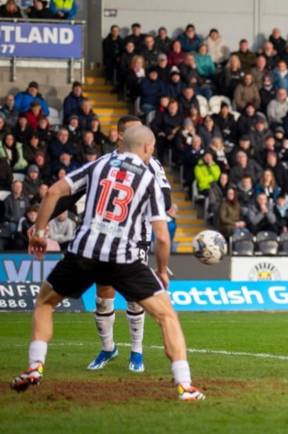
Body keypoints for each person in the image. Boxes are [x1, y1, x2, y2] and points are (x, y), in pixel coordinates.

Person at [13, 125, 204, 401]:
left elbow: (53, 192)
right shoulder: (150, 177)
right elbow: (162, 237)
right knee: (166, 316)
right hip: (124, 257)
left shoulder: (98, 164)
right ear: (148, 148)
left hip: (83, 253)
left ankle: (34, 367)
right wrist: (161, 270)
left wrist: (41, 233)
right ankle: (184, 385)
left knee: (45, 303)